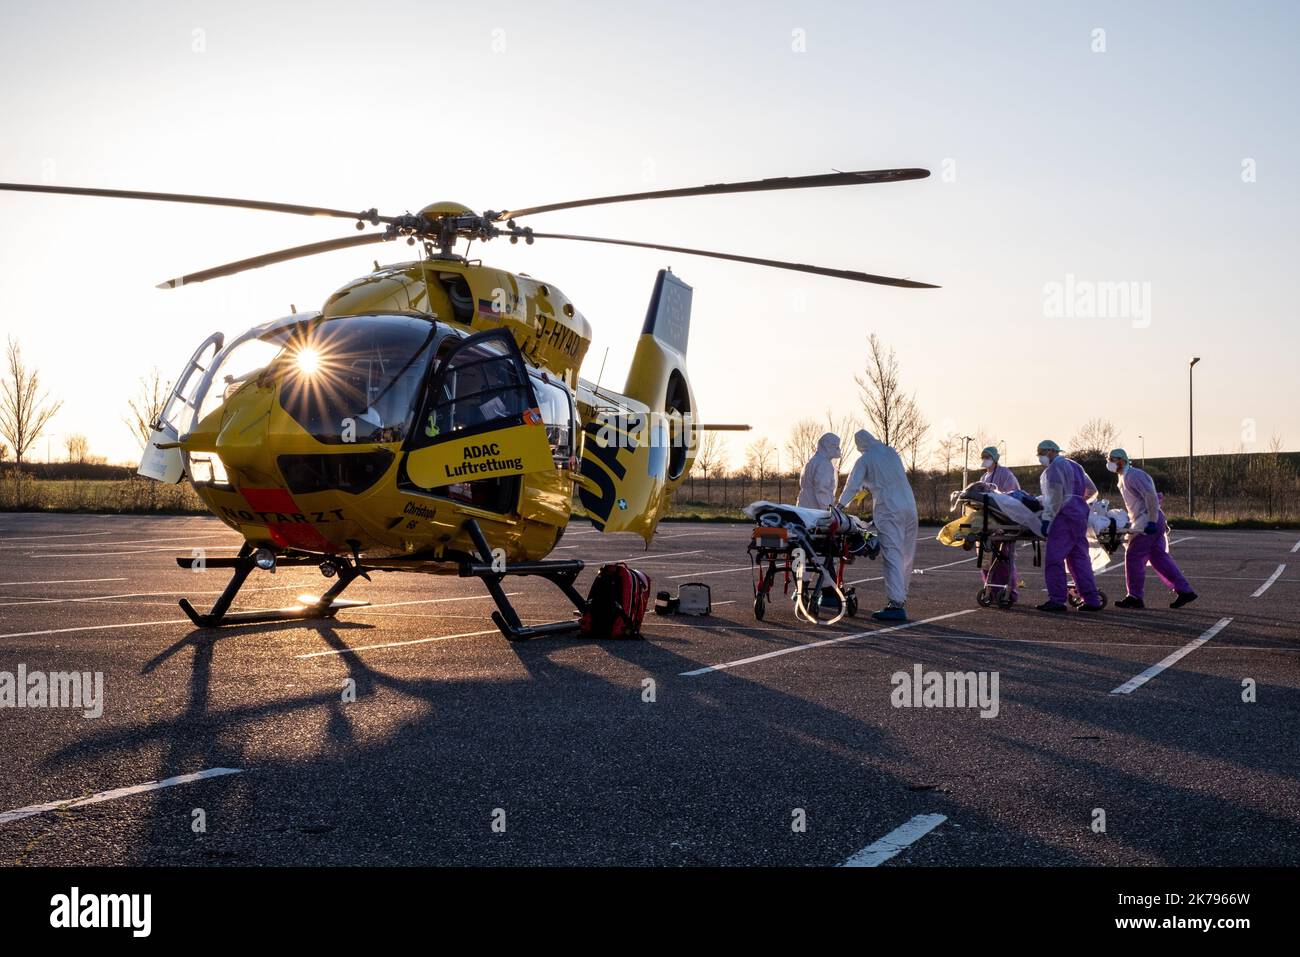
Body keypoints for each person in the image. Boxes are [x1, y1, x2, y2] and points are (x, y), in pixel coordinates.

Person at [838, 429, 917, 621]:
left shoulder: (865, 459)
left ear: (860, 445)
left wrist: (839, 506)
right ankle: (901, 596)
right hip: (909, 506)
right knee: (906, 553)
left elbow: (852, 485)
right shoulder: (891, 452)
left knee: (892, 555)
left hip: (889, 508)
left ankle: (896, 604)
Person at [1108, 448, 1197, 609]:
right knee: (1158, 558)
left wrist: (1150, 521)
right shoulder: (1123, 477)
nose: (1109, 462)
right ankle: (1185, 590)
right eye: (1109, 459)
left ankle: (1135, 596)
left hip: (1148, 519)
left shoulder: (1133, 475)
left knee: (1134, 556)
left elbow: (1150, 496)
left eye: (1112, 459)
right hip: (1147, 519)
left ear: (1122, 460)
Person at [1036, 439, 1103, 613]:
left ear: (1051, 451)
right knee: (1079, 559)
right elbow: (1092, 490)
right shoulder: (1076, 466)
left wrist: (1047, 518)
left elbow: (1055, 496)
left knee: (1054, 559)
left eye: (1042, 453)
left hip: (1063, 517)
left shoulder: (1054, 470)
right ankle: (1091, 599)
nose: (1040, 457)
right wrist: (1078, 501)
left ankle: (1057, 600)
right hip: (1080, 515)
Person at [978, 445, 1022, 606]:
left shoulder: (1005, 474)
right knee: (986, 560)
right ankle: (991, 590)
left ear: (995, 458)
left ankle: (1009, 592)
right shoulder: (983, 478)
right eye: (982, 457)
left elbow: (1013, 496)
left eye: (987, 457)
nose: (984, 460)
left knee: (1003, 560)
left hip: (1002, 520)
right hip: (988, 522)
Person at [797, 432, 841, 509]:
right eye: (836, 447)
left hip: (804, 506)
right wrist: (828, 509)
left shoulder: (812, 461)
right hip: (816, 509)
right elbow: (822, 489)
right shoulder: (824, 464)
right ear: (829, 447)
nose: (839, 450)